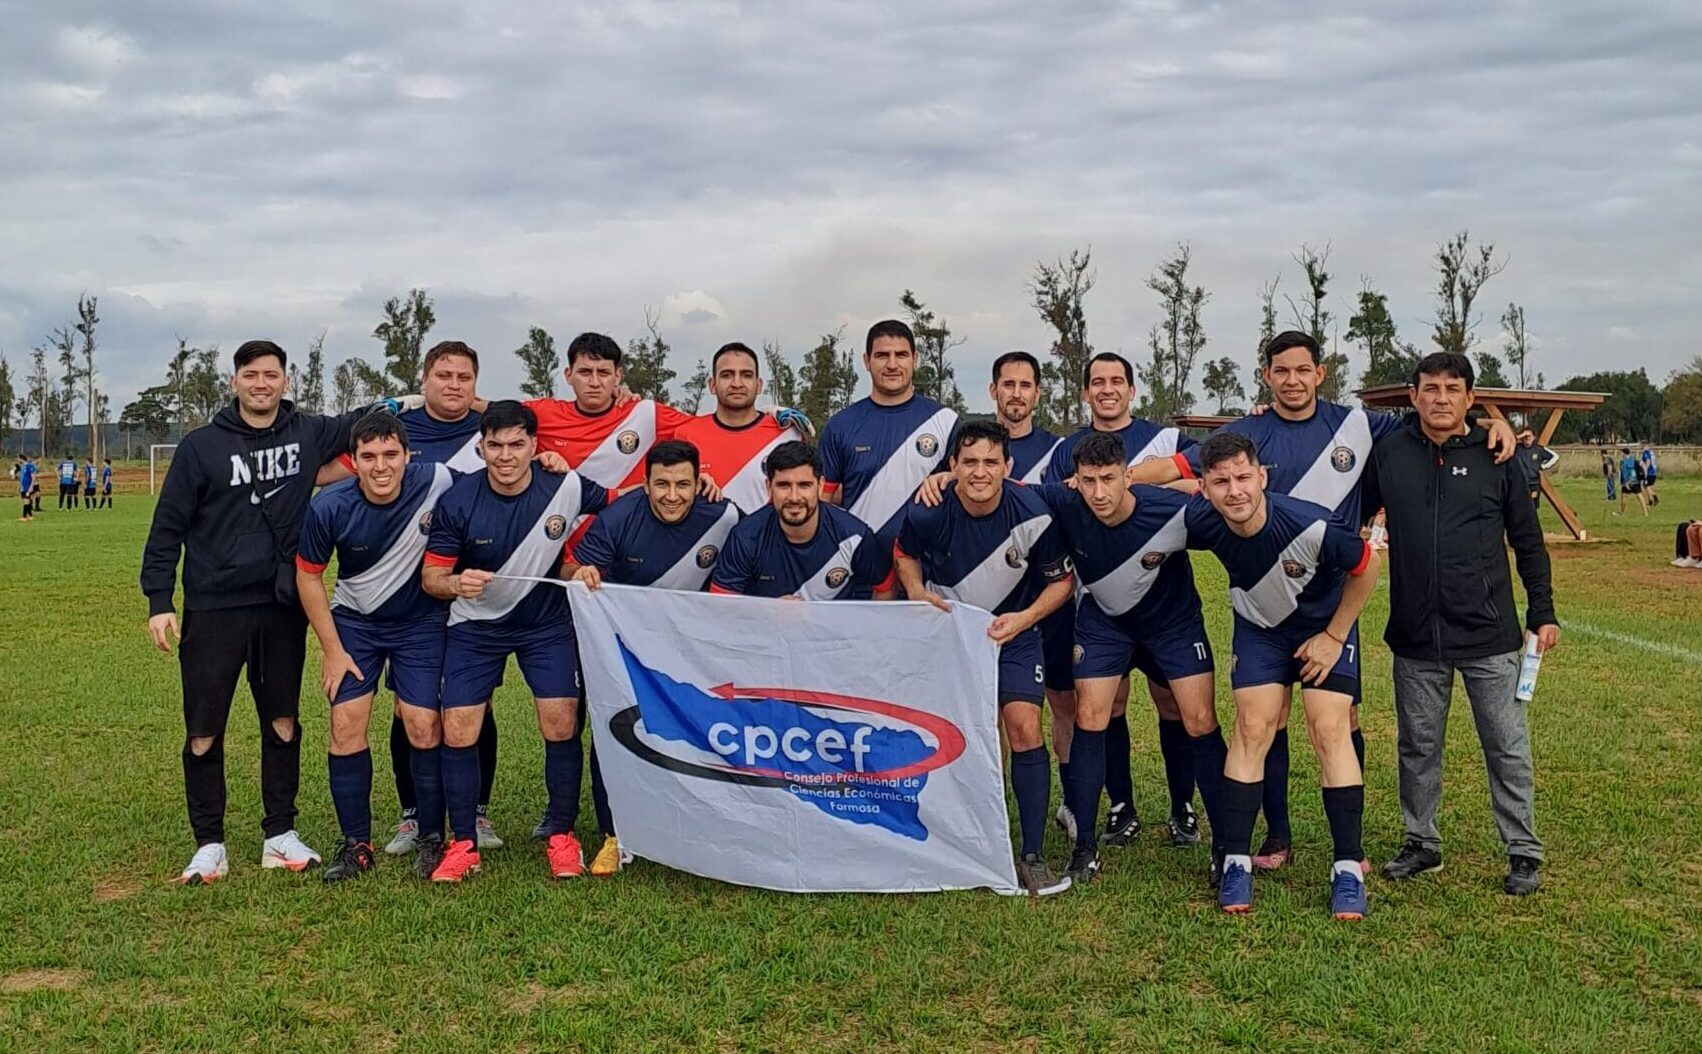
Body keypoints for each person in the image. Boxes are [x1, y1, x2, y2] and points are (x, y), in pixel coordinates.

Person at [1131, 330, 1514, 872]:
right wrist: (1119, 479)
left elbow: (1435, 422)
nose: (1292, 380)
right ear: (1267, 376)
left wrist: (1492, 424)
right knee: (1267, 718)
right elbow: (1178, 467)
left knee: (1339, 717)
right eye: (1281, 371)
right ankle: (1277, 837)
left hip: (1333, 600)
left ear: (1321, 373)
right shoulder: (1247, 432)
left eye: (1302, 370)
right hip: (1266, 601)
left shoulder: (1360, 424)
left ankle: (1349, 850)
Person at [141, 339, 422, 885]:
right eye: (251, 375)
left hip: (280, 606)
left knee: (283, 723)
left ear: (285, 381)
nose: (261, 384)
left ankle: (280, 833)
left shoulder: (308, 432)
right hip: (214, 606)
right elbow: (167, 526)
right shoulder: (200, 447)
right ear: (234, 382)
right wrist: (159, 600)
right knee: (204, 731)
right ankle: (209, 843)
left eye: (271, 375)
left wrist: (414, 400)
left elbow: (366, 422)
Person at [1363, 352, 1558, 896]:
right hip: (1415, 634)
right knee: (1417, 745)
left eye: (1453, 389)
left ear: (1471, 398)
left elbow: (1527, 539)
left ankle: (1522, 850)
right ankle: (1421, 842)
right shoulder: (1390, 453)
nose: (1441, 398)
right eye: (1430, 388)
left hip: (1488, 634)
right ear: (1414, 395)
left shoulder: (1498, 455)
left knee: (1506, 745)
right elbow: (1352, 512)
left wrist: (1542, 610)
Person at [1185, 431, 1381, 920]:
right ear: (1204, 489)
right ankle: (1235, 861)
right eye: (1221, 482)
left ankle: (1347, 867)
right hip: (1261, 631)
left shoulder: (1312, 524)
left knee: (1329, 727)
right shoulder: (1202, 519)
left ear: (1262, 477)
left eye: (1243, 477)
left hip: (1325, 628)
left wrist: (1334, 635)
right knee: (1253, 726)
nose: (1235, 491)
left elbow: (1368, 566)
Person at [423, 401, 611, 880]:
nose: (505, 456)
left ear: (534, 445)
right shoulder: (459, 500)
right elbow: (432, 577)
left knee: (561, 722)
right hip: (475, 625)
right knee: (459, 728)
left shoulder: (565, 485)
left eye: (516, 445)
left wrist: (704, 488)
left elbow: (626, 504)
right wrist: (455, 583)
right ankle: (463, 844)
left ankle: (562, 837)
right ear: (481, 448)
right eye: (495, 446)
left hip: (544, 625)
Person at [1032, 431, 1226, 888]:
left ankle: (1224, 845)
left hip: (1173, 624)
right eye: (1088, 481)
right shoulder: (1065, 502)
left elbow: (1238, 521)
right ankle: (1085, 848)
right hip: (1104, 623)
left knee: (1198, 718)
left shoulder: (1172, 509)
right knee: (1090, 716)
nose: (1099, 492)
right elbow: (1004, 489)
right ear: (1075, 480)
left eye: (1108, 479)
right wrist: (946, 478)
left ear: (1128, 476)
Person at [892, 421, 1076, 895]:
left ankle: (1031, 854)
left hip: (1014, 634)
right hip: (952, 637)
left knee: (1023, 727)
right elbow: (904, 554)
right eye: (969, 461)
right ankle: (957, 840)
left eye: (991, 462)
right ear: (952, 465)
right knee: (954, 734)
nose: (980, 472)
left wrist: (1025, 618)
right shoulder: (929, 510)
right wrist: (915, 590)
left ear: (1007, 466)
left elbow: (1061, 582)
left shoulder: (1033, 513)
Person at [1043, 351, 1201, 852]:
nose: (1107, 389)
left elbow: (1202, 478)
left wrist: (1138, 477)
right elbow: (1056, 501)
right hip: (1099, 600)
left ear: (1132, 390)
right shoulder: (1067, 449)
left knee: (1172, 700)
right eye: (1097, 382)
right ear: (1085, 392)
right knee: (1108, 703)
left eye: (1117, 380)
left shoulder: (1167, 439)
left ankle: (1183, 806)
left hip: (1163, 601)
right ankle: (1121, 805)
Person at [564, 439, 741, 875]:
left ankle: (696, 826)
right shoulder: (618, 518)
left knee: (695, 731)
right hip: (623, 644)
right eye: (661, 484)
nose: (672, 495)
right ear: (645, 484)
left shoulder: (724, 515)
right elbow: (570, 567)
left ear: (699, 483)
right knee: (615, 727)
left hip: (691, 649)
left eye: (683, 484)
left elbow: (757, 548)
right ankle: (614, 833)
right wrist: (580, 572)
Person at [295, 414, 458, 882]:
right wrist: (332, 649)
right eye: (368, 456)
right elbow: (308, 576)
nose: (380, 466)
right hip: (356, 624)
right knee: (345, 724)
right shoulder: (330, 505)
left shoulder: (438, 480)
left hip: (421, 623)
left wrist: (547, 461)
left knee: (423, 724)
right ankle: (356, 845)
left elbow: (495, 481)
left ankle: (432, 838)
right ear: (354, 460)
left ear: (408, 456)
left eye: (390, 455)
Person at [817, 320, 958, 560]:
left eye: (901, 355)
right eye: (882, 355)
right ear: (866, 361)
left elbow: (971, 485)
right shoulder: (840, 426)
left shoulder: (946, 422)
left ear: (915, 359)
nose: (892, 365)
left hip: (926, 568)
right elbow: (823, 504)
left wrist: (950, 477)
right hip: (859, 567)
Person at [711, 440, 895, 601]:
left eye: (804, 485)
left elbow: (886, 588)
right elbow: (722, 604)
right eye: (783, 485)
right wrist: (767, 611)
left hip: (834, 630)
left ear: (820, 486)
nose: (794, 497)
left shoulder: (854, 536)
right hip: (765, 628)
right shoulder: (745, 537)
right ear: (769, 487)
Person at [672, 342, 809, 513]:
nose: (737, 383)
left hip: (766, 530)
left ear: (759, 385)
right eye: (727, 375)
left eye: (746, 375)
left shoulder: (788, 432)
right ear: (712, 385)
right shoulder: (686, 434)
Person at [1515, 429, 1559, 506]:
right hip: (1519, 484)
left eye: (1529, 436)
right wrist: (1519, 436)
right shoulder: (1516, 448)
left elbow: (1555, 456)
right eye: (1525, 436)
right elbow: (1507, 440)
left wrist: (1543, 466)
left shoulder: (1539, 449)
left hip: (1533, 484)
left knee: (1532, 506)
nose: (1527, 438)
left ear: (1534, 437)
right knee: (1518, 507)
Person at [1618, 447, 1648, 515]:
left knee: (1624, 496)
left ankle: (1621, 512)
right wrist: (1645, 477)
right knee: (1639, 496)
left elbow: (1624, 472)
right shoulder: (1634, 459)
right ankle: (1645, 512)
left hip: (1627, 481)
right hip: (1636, 480)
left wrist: (1625, 482)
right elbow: (1643, 465)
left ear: (1623, 453)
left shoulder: (1623, 462)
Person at [17, 456, 35, 521]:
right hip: (23, 486)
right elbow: (22, 478)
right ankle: (30, 516)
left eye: (18, 459)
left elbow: (33, 477)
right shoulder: (22, 467)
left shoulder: (29, 466)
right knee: (26, 501)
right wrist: (20, 486)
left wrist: (31, 486)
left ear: (22, 459)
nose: (18, 460)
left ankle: (24, 517)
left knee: (26, 501)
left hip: (27, 486)